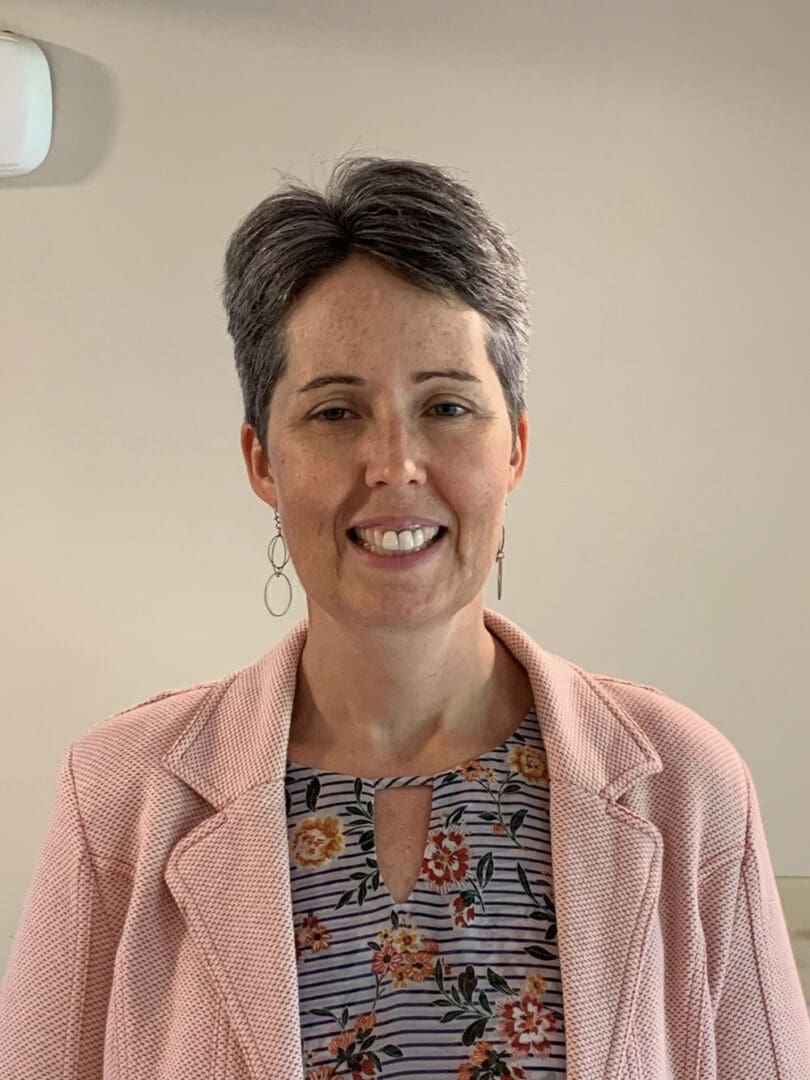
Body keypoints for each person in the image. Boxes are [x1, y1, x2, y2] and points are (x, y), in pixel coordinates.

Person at [0, 156, 807, 1080]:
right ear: (263, 460)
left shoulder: (688, 787)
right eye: (337, 410)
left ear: (516, 447)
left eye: (448, 407)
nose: (395, 466)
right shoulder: (121, 800)